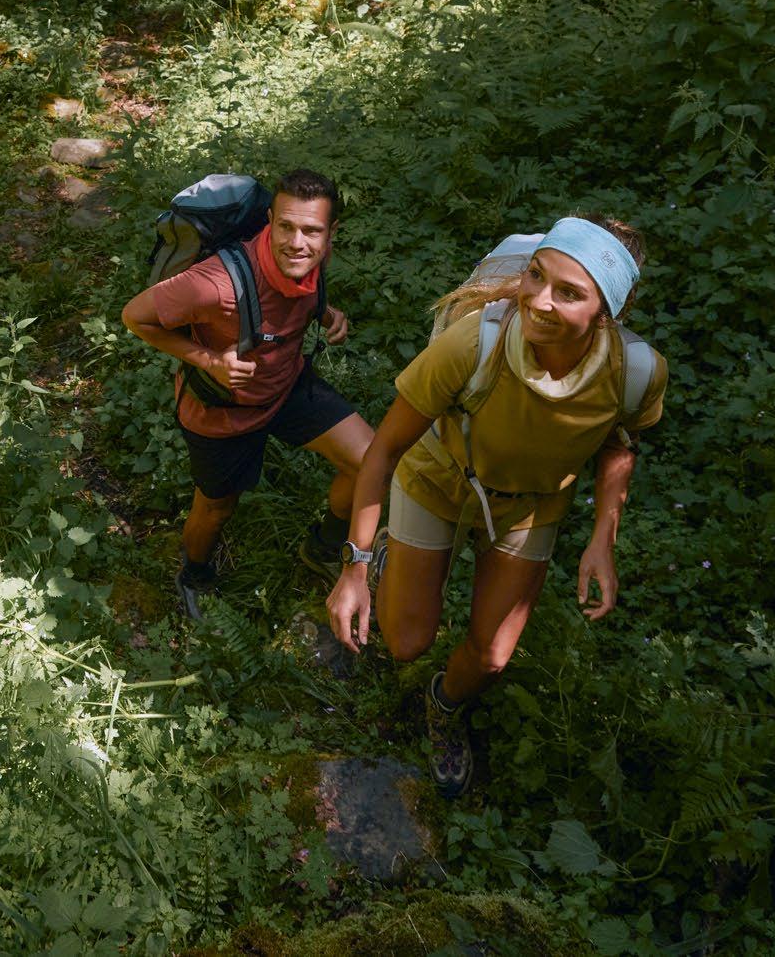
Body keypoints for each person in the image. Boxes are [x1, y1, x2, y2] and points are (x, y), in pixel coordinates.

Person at [325, 215, 667, 798]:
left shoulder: (635, 373)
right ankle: (387, 552)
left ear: (607, 313)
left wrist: (602, 539)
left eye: (568, 293)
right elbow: (384, 450)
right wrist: (355, 565)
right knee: (406, 642)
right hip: (437, 479)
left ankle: (443, 705)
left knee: (491, 657)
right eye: (536, 275)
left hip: (531, 507)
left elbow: (619, 444)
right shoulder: (475, 342)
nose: (538, 300)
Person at [121, 169, 371, 620]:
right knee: (216, 508)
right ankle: (195, 576)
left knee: (368, 461)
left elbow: (297, 294)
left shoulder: (311, 255)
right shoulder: (215, 283)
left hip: (286, 386)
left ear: (331, 232)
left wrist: (326, 312)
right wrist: (208, 360)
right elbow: (135, 317)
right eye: (285, 227)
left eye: (312, 231)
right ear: (269, 221)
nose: (297, 243)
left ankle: (324, 547)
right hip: (222, 412)